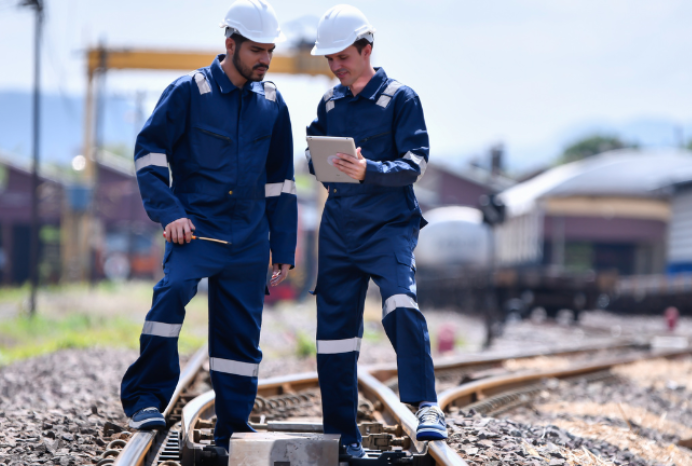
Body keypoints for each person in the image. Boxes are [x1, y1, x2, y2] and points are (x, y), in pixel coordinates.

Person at [119, 0, 297, 452]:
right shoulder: (187, 93)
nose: (265, 59)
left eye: (270, 51)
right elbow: (149, 154)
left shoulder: (273, 105)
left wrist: (284, 245)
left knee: (241, 334)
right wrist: (170, 212)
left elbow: (281, 183)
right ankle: (146, 397)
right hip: (196, 230)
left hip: (250, 238)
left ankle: (233, 426)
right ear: (230, 43)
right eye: (256, 49)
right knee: (171, 295)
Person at [305, 4, 447, 458]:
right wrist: (322, 162)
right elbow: (312, 153)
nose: (335, 66)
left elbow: (415, 163)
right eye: (329, 59)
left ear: (367, 49)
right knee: (334, 334)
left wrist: (369, 170)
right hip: (340, 228)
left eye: (341, 57)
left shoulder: (401, 99)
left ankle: (427, 405)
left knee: (400, 303)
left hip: (388, 226)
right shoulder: (330, 102)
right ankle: (342, 436)